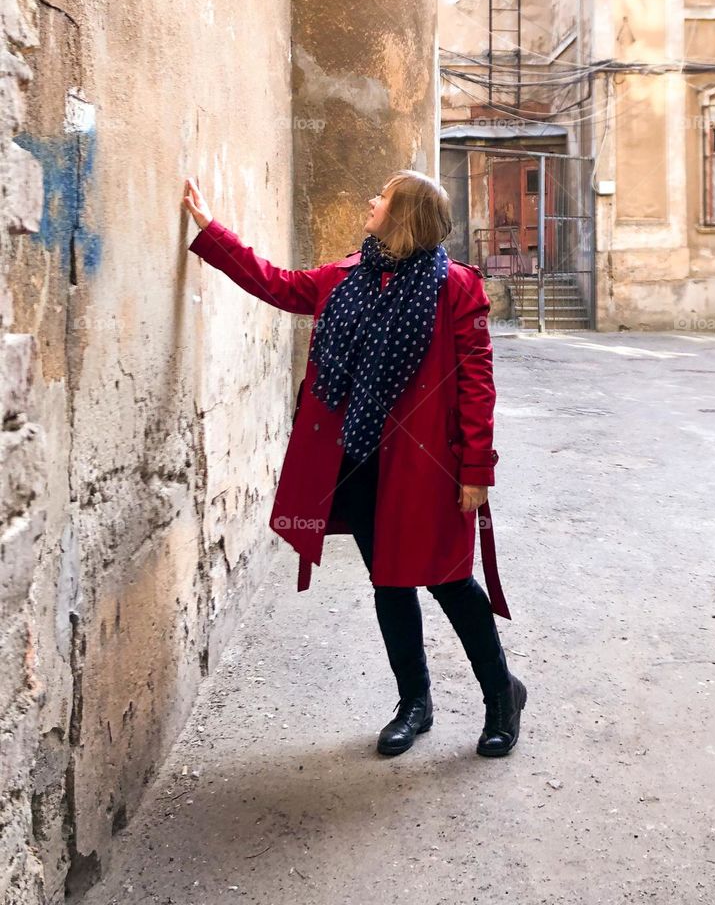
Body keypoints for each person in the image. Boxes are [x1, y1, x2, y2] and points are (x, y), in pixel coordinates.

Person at [181, 170, 527, 758]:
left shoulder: (456, 288)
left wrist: (476, 470)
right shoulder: (345, 277)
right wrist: (213, 232)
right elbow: (278, 284)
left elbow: (476, 384)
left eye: (383, 196)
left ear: (404, 216)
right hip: (361, 459)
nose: (371, 200)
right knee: (389, 581)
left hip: (430, 470)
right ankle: (414, 704)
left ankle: (501, 696)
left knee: (448, 582)